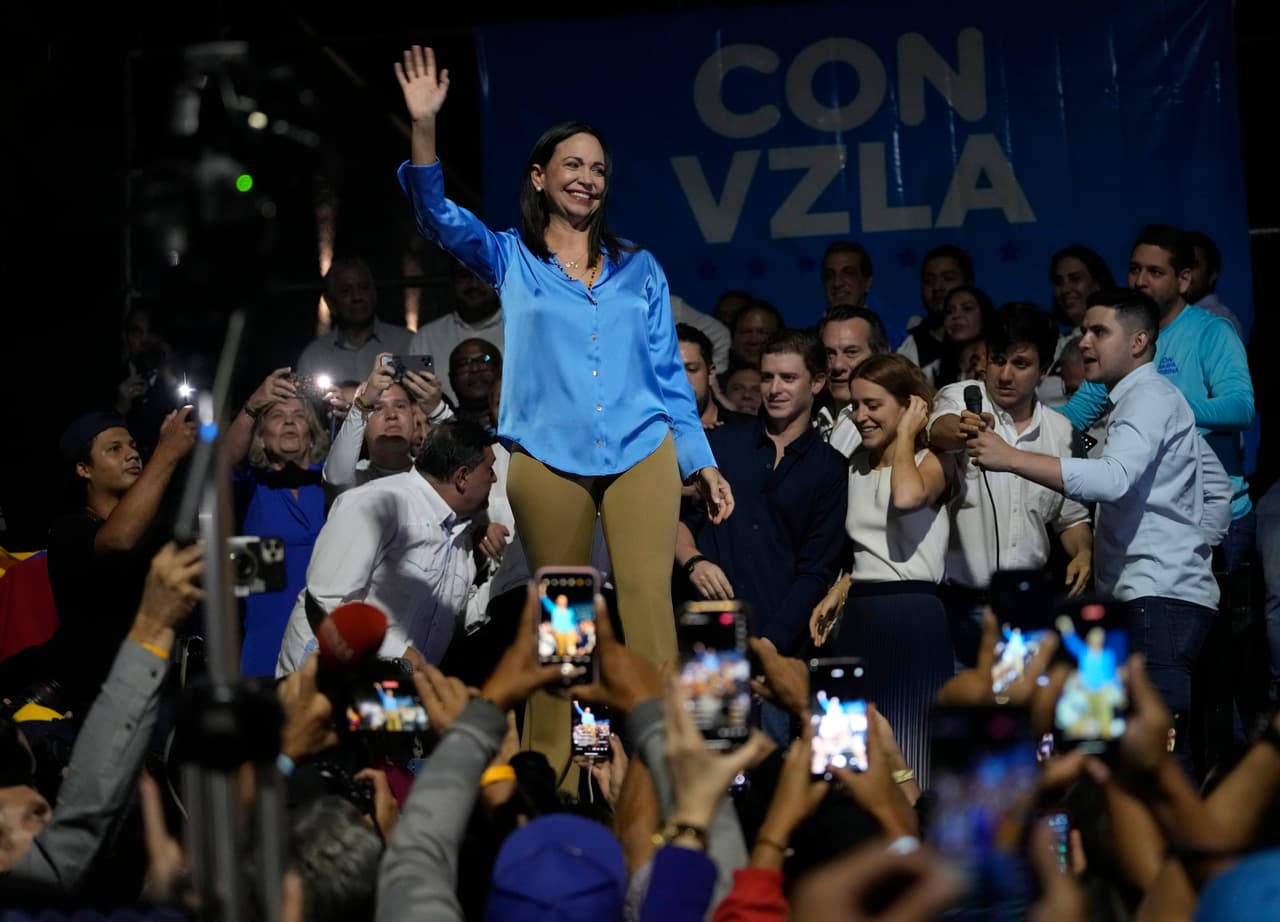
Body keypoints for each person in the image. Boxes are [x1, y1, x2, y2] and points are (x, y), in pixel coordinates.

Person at [392, 47, 733, 683]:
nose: (587, 177)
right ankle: (561, 771)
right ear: (539, 177)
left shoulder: (640, 268)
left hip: (642, 448)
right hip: (547, 454)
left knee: (649, 607)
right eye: (572, 164)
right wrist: (424, 125)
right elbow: (436, 216)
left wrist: (702, 464)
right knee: (566, 626)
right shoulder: (509, 258)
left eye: (598, 168)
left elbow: (669, 380)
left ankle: (661, 762)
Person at [965, 287, 1232, 779]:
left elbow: (1112, 479)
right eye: (1083, 330)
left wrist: (1010, 457)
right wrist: (1191, 552)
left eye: (1099, 331)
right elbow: (1216, 488)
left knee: (1156, 758)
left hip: (1157, 601)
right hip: (1162, 596)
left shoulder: (1148, 397)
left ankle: (1179, 856)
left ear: (1139, 342)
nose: (1084, 342)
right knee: (1142, 753)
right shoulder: (1149, 400)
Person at [675, 330, 848, 743]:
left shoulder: (830, 468)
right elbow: (673, 518)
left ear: (817, 383)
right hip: (711, 637)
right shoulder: (721, 444)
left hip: (780, 647)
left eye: (788, 378)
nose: (774, 389)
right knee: (709, 772)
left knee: (774, 774)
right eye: (768, 377)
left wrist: (768, 645)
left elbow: (816, 570)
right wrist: (692, 560)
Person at [808, 353, 957, 788]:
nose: (860, 416)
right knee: (847, 755)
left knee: (912, 754)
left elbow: (907, 497)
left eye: (873, 405)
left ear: (908, 404)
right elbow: (866, 546)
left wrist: (910, 433)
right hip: (859, 617)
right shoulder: (854, 464)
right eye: (855, 405)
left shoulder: (933, 459)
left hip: (914, 616)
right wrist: (844, 585)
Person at [926, 302, 1093, 668]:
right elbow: (937, 428)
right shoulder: (964, 395)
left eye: (1020, 364)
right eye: (997, 359)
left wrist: (1082, 551)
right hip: (961, 606)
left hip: (1030, 608)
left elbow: (1071, 518)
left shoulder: (1061, 432)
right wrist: (963, 429)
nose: (1004, 374)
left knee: (1025, 721)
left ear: (1045, 370)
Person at [275, 418, 497, 674]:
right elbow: (329, 599)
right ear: (462, 477)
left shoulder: (459, 536)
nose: (494, 479)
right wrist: (399, 654)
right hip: (326, 678)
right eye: (489, 469)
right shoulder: (375, 502)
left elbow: (448, 619)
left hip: (391, 692)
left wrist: (511, 577)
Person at [39, 408, 196, 719]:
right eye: (115, 449)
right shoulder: (69, 531)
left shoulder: (154, 527)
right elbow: (119, 538)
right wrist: (165, 452)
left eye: (133, 445)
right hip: (104, 705)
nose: (132, 454)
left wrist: (251, 410)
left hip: (162, 695)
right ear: (84, 469)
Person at [224, 369, 331, 677]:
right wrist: (252, 406)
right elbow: (225, 460)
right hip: (265, 638)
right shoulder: (250, 484)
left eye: (298, 415)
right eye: (276, 415)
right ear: (259, 434)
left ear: (311, 432)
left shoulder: (329, 480)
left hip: (325, 636)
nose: (288, 421)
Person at [296, 256, 414, 385]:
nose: (357, 297)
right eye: (345, 291)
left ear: (374, 293)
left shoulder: (407, 344)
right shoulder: (314, 357)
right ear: (330, 302)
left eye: (364, 287)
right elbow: (305, 405)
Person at [408, 259, 506, 407]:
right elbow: (416, 402)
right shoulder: (426, 337)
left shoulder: (521, 331)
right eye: (464, 275)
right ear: (452, 281)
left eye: (482, 275)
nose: (473, 284)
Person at [814, 304, 890, 458]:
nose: (837, 365)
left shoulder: (892, 419)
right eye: (829, 354)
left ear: (881, 355)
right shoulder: (807, 416)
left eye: (851, 352)